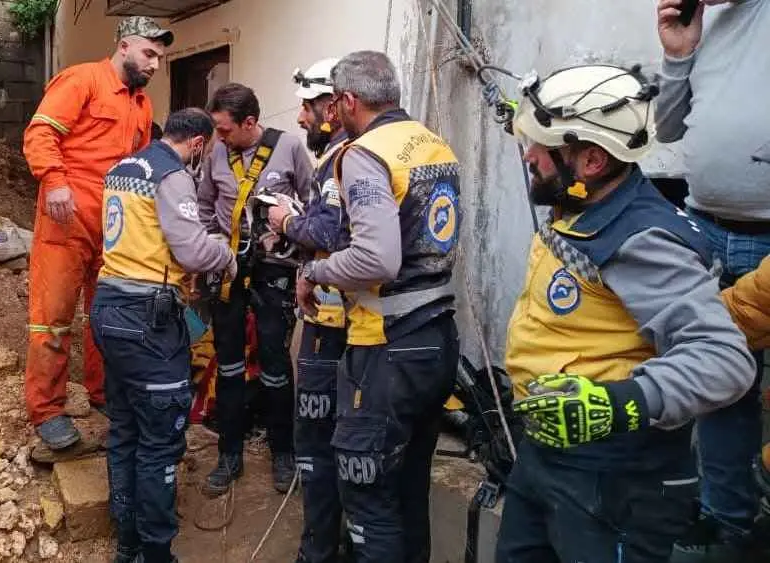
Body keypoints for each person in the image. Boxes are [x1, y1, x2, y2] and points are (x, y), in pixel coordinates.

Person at [494, 63, 755, 563]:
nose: (528, 155)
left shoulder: (644, 240)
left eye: (540, 145)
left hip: (612, 479)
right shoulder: (581, 200)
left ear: (591, 160)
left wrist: (618, 403)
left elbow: (725, 361)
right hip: (545, 455)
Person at [294, 50, 460, 563]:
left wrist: (315, 272)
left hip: (387, 344)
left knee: (369, 498)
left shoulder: (364, 154)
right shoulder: (433, 143)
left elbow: (376, 258)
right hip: (437, 335)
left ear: (347, 101)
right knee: (409, 488)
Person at [22, 16, 172, 453]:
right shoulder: (82, 80)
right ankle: (47, 410)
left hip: (114, 225)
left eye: (160, 58)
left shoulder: (142, 105)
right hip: (66, 219)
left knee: (107, 314)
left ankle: (103, 392)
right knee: (51, 317)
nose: (155, 65)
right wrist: (55, 181)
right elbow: (40, 133)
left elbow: (138, 166)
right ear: (124, 46)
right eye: (149, 53)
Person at [91, 108, 235, 563]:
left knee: (125, 432)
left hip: (109, 306)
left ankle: (127, 546)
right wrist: (226, 256)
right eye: (206, 149)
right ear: (197, 143)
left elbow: (145, 233)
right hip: (147, 319)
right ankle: (156, 554)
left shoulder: (124, 168)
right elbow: (191, 250)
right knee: (159, 443)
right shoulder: (172, 175)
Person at [655, 1, 770, 559]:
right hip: (708, 228)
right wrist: (679, 55)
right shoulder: (711, 24)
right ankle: (727, 518)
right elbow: (668, 127)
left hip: (766, 237)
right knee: (722, 383)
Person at [197, 83, 314, 496]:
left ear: (249, 123)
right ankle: (229, 455)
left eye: (224, 129)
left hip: (273, 271)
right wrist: (212, 250)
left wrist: (300, 255)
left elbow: (312, 203)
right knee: (228, 364)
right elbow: (205, 206)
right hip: (228, 270)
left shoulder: (289, 148)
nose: (219, 136)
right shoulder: (217, 154)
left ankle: (283, 453)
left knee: (275, 363)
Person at [266, 57, 349, 563]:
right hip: (342, 316)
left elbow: (328, 232)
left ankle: (317, 550)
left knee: (317, 438)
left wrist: (284, 220)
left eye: (307, 106)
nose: (300, 117)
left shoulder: (343, 157)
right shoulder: (352, 153)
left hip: (333, 319)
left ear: (333, 106)